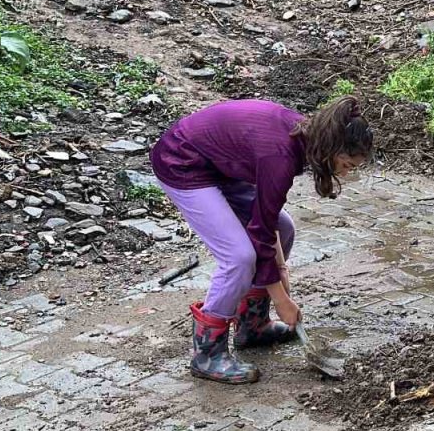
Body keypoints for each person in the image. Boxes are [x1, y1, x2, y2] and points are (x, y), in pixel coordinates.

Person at [149, 97, 372, 384]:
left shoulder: (304, 137)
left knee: (285, 226)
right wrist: (281, 299)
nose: (344, 173)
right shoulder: (281, 154)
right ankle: (207, 353)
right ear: (331, 148)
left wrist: (281, 271)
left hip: (221, 166)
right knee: (239, 257)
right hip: (183, 161)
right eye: (347, 165)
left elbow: (268, 222)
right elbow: (260, 231)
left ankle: (252, 326)